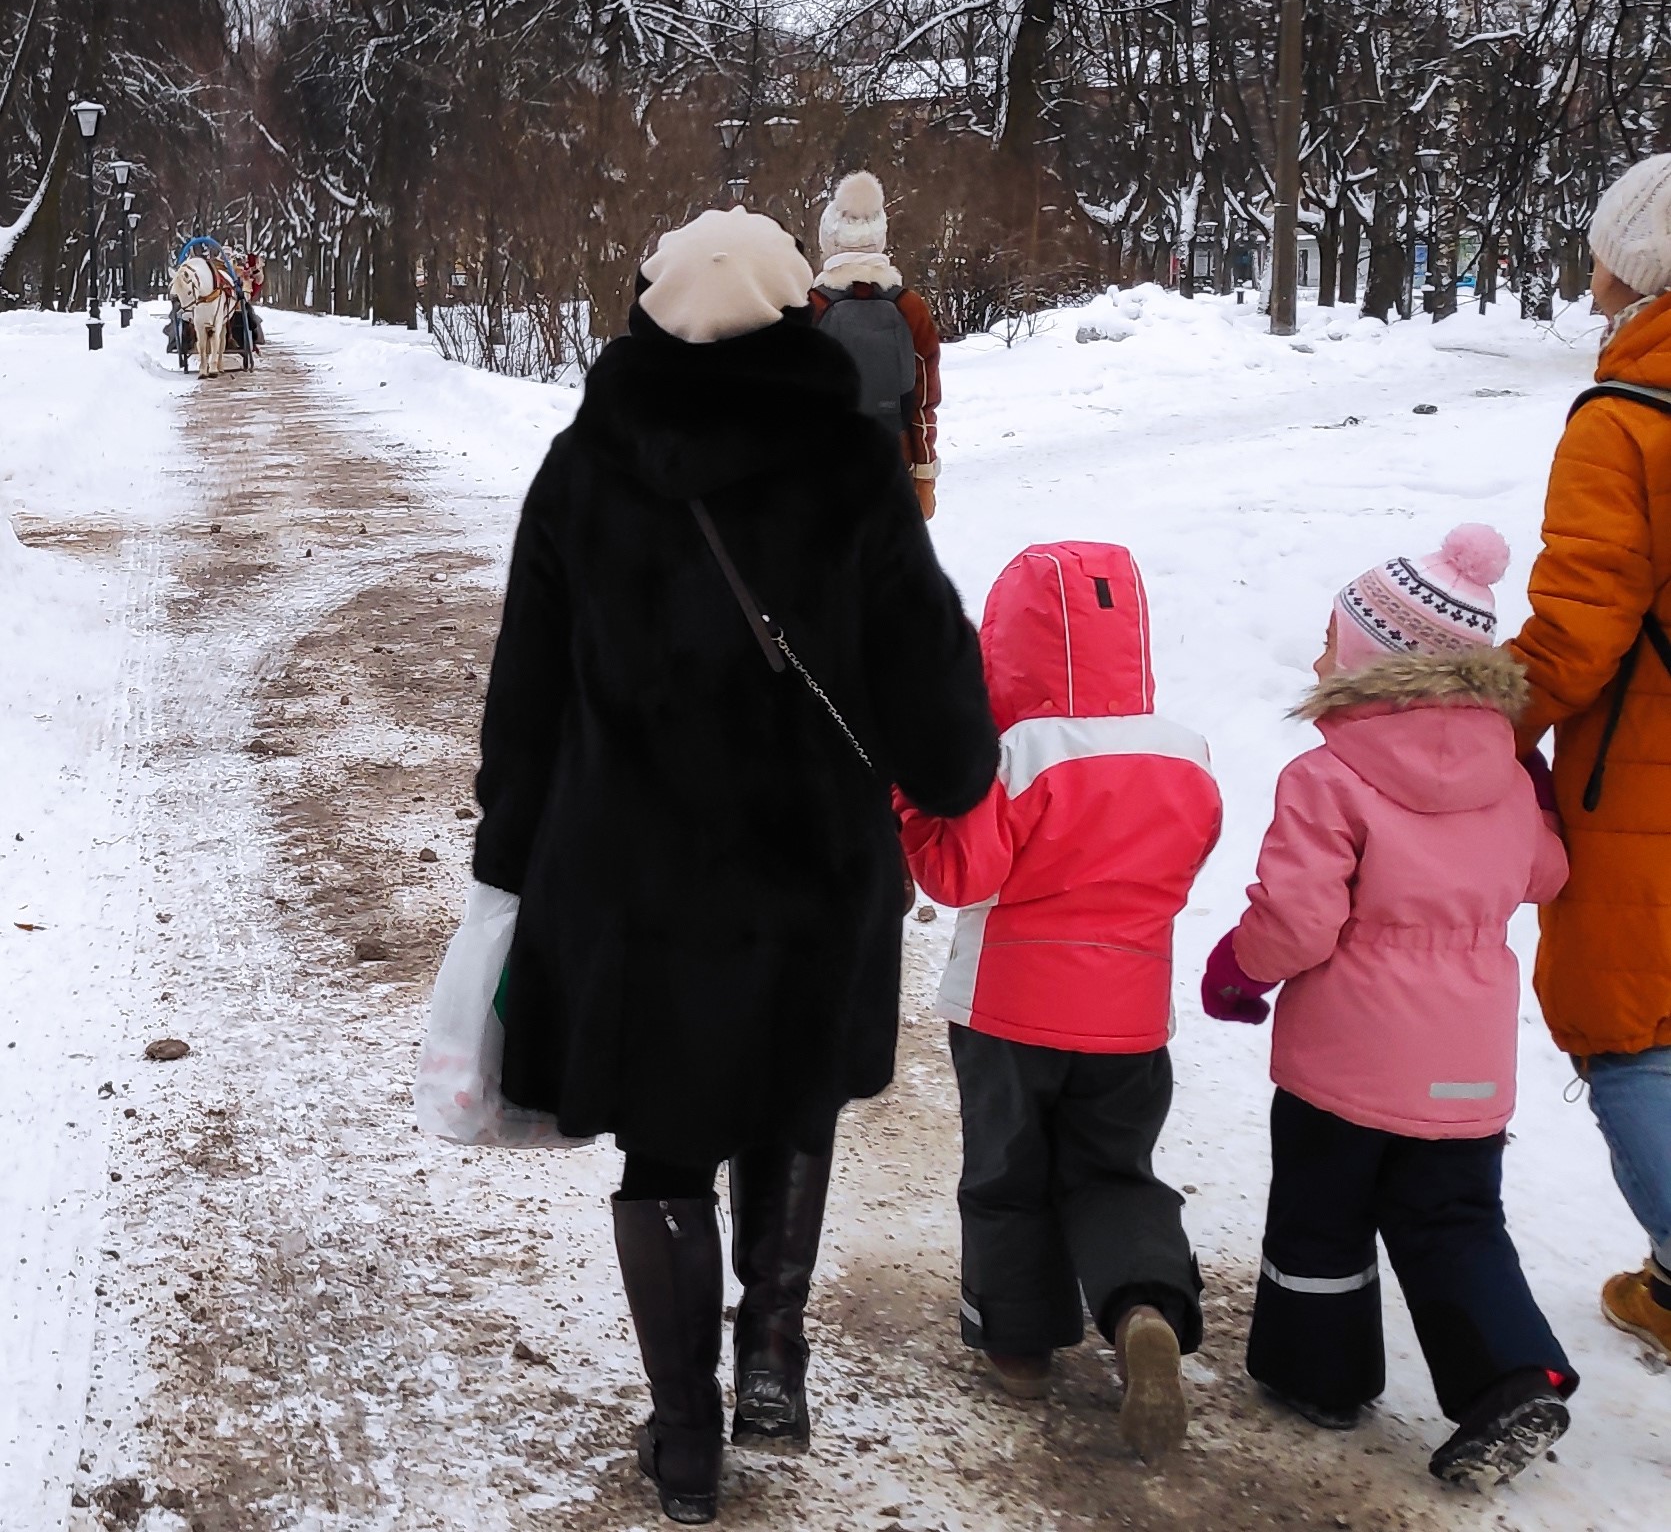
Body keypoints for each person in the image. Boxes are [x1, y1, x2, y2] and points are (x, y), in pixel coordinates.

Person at [471, 207, 998, 1525]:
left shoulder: (583, 466)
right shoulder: (849, 467)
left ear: (649, 311)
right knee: (785, 1096)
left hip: (628, 887)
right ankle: (770, 1353)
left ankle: (687, 1435)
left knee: (660, 1148)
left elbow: (523, 695)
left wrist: (507, 862)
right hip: (806, 877)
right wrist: (947, 778)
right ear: (788, 313)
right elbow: (934, 691)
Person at [1203, 526, 1577, 1489]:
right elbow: (1547, 874)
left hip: (1346, 1062)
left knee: (1320, 1219)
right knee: (1454, 1219)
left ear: (1371, 660)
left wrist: (1243, 970)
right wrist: (1531, 804)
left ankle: (1315, 1374)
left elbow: (1299, 918)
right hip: (1467, 1066)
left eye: (1335, 638)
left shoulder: (1327, 777)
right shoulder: (1506, 779)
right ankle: (1510, 1374)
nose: (1321, 654)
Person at [896, 542, 1222, 1459]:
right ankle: (1144, 1307)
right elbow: (1185, 865)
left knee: (1007, 1178)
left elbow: (959, 875)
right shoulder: (1183, 751)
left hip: (1008, 1008)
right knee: (1115, 1172)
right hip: (1127, 1017)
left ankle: (1019, 1344)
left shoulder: (1016, 754)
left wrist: (915, 799)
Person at [1508, 153, 1671, 1361]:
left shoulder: (1625, 422)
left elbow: (1577, 634)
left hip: (1645, 773)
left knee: (1626, 1026)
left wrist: (1473, 724)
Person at [808, 171, 943, 520]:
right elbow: (923, 401)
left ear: (829, 241)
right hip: (892, 467)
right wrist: (924, 476)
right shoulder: (909, 307)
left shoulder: (807, 307)